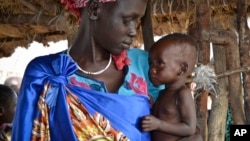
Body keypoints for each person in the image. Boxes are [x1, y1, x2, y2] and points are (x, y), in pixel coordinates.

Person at [12, 0, 163, 141]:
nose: (133, 31)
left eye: (136, 21)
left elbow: (177, 126)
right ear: (94, 10)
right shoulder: (45, 73)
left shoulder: (147, 66)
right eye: (127, 19)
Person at [141, 33, 201, 141]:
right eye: (151, 64)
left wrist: (159, 124)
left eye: (159, 63)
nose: (152, 69)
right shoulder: (162, 93)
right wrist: (152, 106)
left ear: (181, 69)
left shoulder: (183, 94)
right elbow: (167, 116)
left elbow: (189, 128)